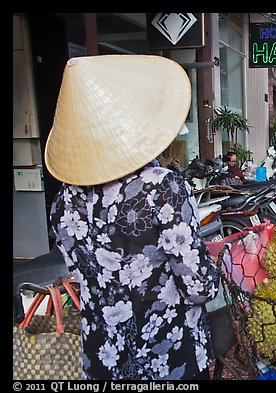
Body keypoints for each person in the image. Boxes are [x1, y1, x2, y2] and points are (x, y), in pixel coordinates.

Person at [45, 55, 219, 380]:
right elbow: (197, 286)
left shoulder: (62, 203)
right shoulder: (161, 187)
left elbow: (85, 278)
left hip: (103, 358)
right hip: (169, 356)